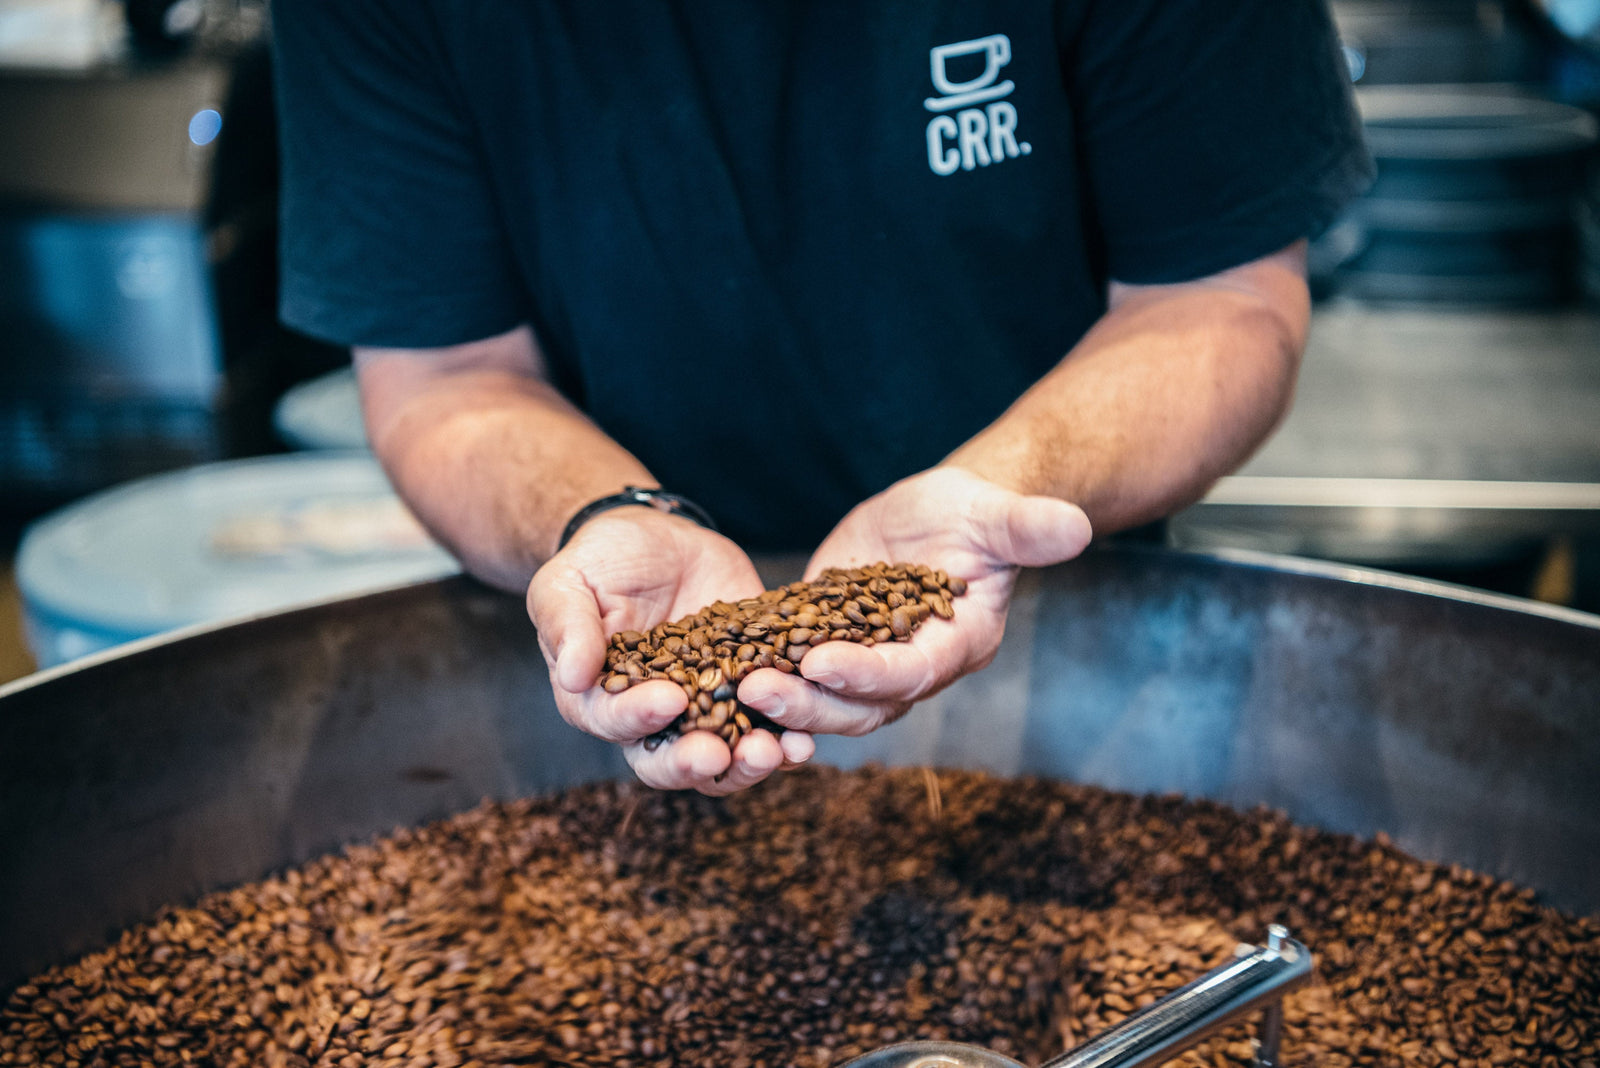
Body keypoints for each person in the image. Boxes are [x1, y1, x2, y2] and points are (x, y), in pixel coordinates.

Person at [271, 0, 1371, 796]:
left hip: (1072, 633)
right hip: (603, 676)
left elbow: (1217, 299)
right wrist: (606, 521)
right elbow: (447, 380)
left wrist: (996, 488)